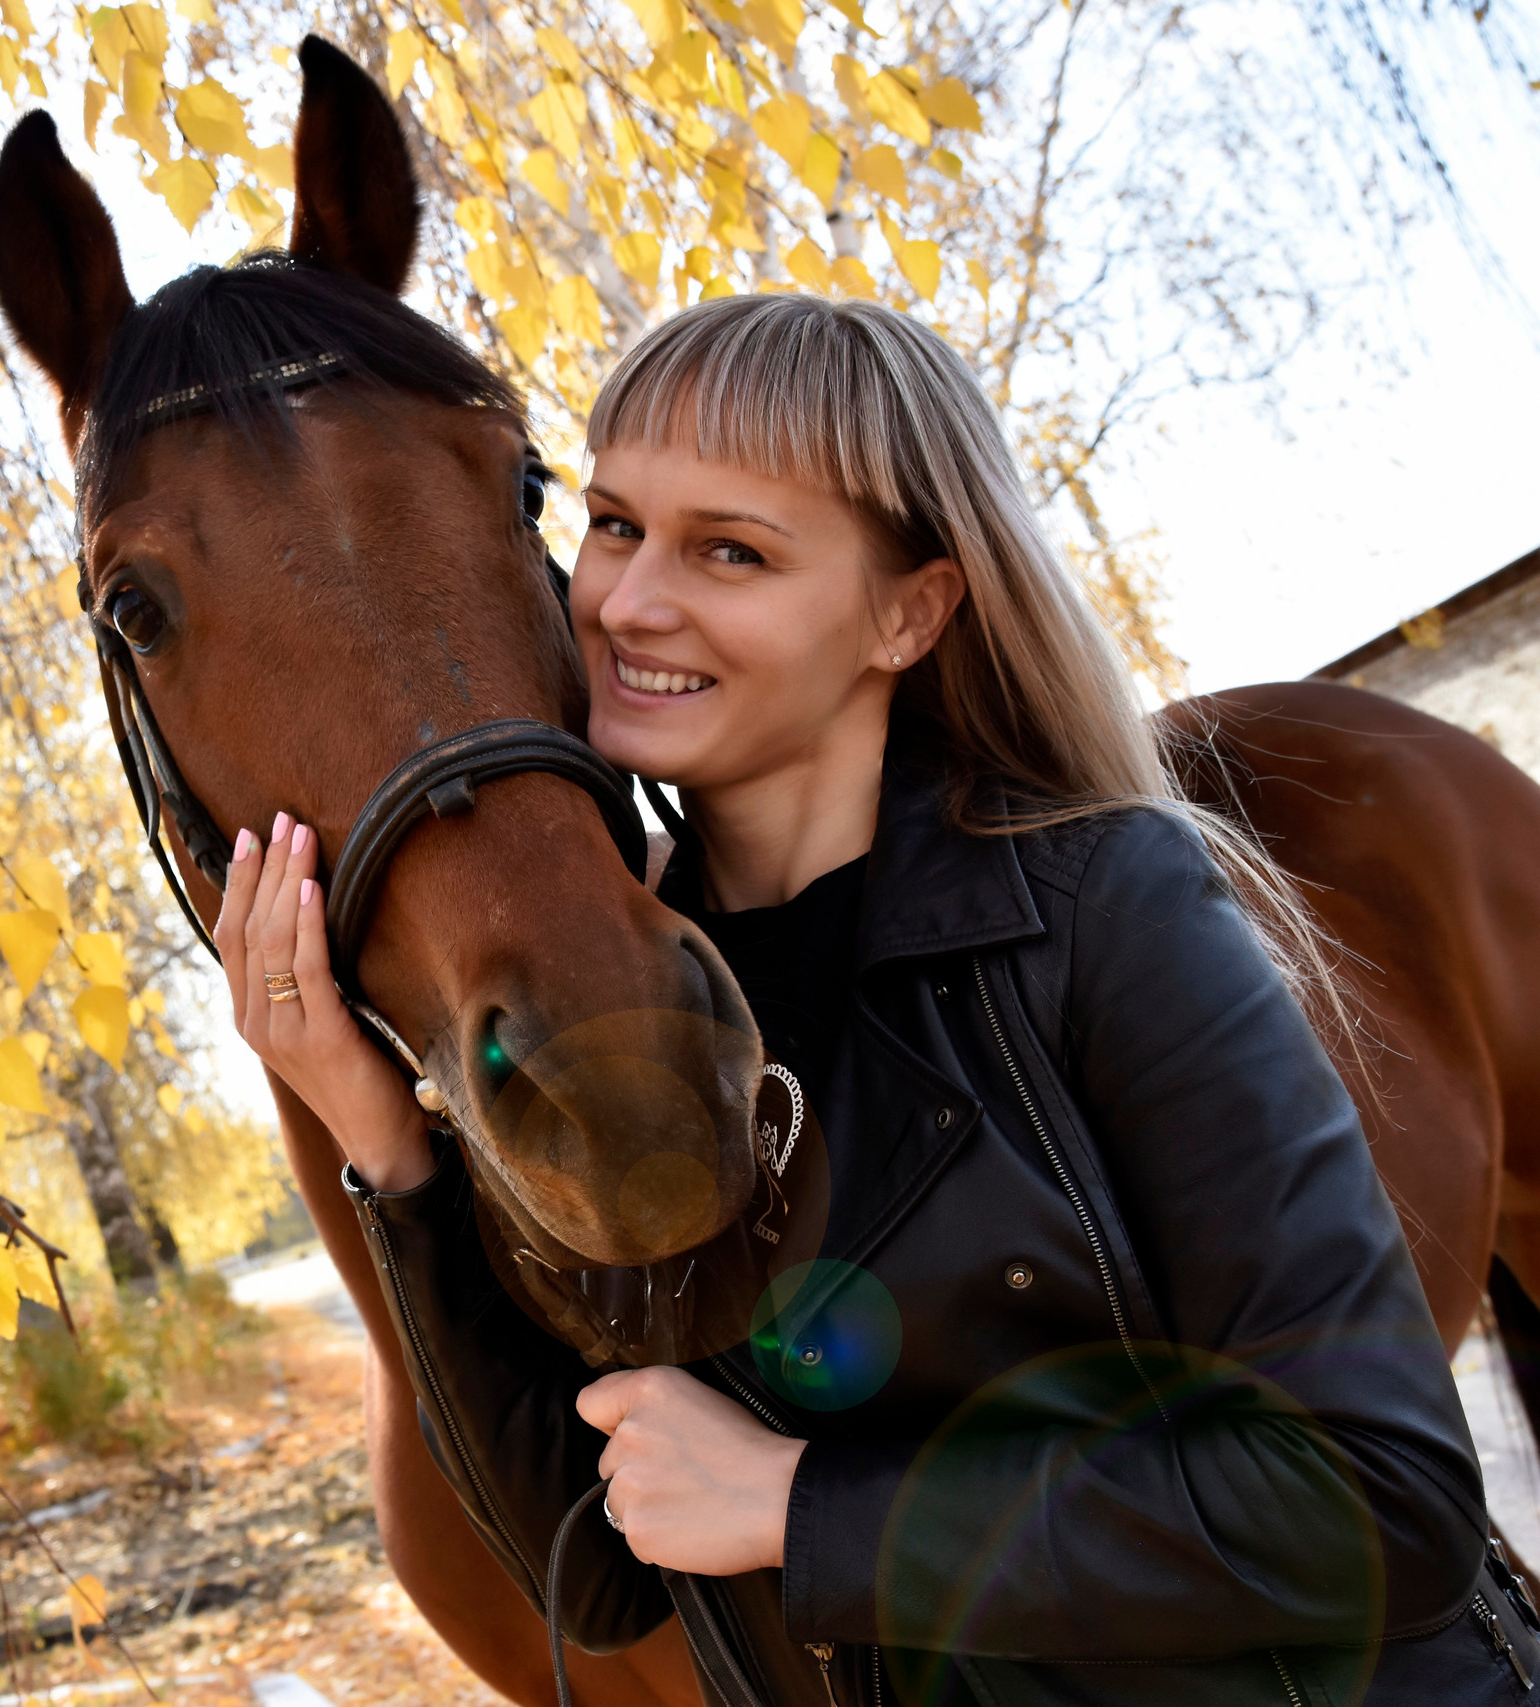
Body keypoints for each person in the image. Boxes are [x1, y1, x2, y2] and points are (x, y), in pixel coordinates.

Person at [213, 293, 1538, 1704]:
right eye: (610, 523)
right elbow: (601, 1579)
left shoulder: (1106, 902)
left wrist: (800, 1506)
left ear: (908, 612)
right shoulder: (635, 1008)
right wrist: (387, 1148)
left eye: (730, 549)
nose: (628, 601)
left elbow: (1379, 1503)